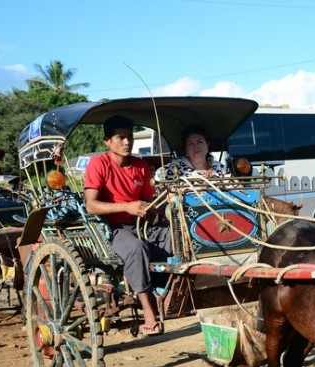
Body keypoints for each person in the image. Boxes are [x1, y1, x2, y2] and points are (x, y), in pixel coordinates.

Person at [84, 115, 171, 337]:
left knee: (177, 236)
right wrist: (127, 207)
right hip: (117, 229)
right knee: (136, 248)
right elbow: (91, 206)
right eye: (120, 138)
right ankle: (149, 312)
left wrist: (159, 205)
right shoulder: (99, 164)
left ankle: (167, 292)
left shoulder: (140, 165)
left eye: (129, 137)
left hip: (144, 225)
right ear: (107, 141)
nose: (127, 143)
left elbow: (149, 200)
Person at [158, 125, 230, 181]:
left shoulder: (220, 167)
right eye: (191, 143)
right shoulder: (177, 166)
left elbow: (236, 189)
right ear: (185, 148)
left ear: (207, 145)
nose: (196, 147)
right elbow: (171, 195)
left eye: (200, 142)